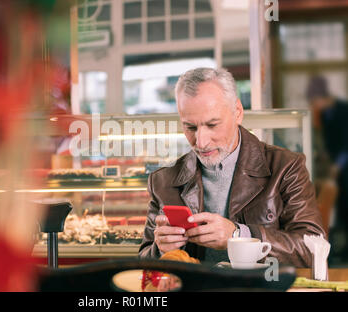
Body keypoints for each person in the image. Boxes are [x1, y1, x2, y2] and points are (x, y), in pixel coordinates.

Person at [139, 67, 325, 267]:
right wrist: (161, 249)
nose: (201, 142)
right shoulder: (163, 181)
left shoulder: (286, 167)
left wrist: (239, 235)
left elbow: (313, 249)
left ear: (237, 113)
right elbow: (143, 262)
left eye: (212, 125)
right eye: (190, 127)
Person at [306, 75, 348, 262]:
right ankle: (342, 249)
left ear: (324, 97)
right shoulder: (324, 114)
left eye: (316, 101)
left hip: (345, 165)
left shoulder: (343, 110)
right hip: (337, 168)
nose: (315, 105)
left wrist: (337, 165)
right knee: (341, 208)